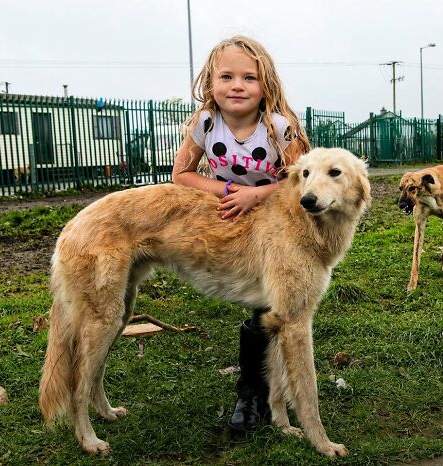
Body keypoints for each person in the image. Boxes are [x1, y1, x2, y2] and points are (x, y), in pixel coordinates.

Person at [171, 36, 310, 432]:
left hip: (278, 220)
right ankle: (258, 387)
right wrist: (229, 192)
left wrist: (256, 194)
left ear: (265, 84)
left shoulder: (279, 127)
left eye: (249, 77)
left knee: (269, 306)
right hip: (231, 217)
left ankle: (253, 394)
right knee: (258, 302)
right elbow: (181, 175)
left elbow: (303, 179)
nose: (237, 85)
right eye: (227, 76)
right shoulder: (205, 123)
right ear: (210, 82)